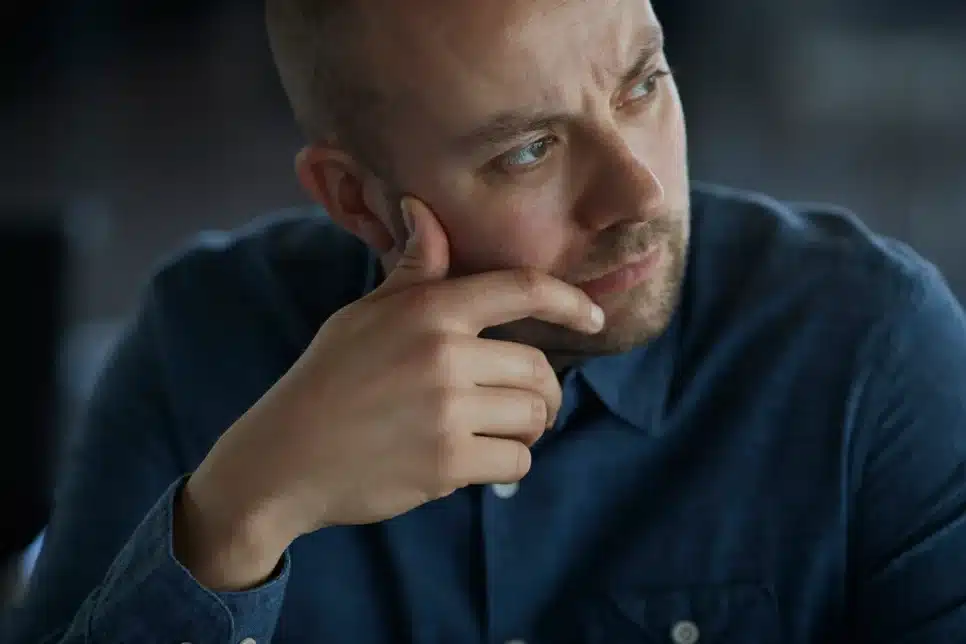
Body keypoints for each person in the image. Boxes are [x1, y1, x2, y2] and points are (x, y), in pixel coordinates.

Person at [7, 0, 966, 642]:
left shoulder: (871, 346)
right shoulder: (199, 341)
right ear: (357, 200)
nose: (639, 193)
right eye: (530, 150)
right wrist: (242, 516)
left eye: (642, 84)